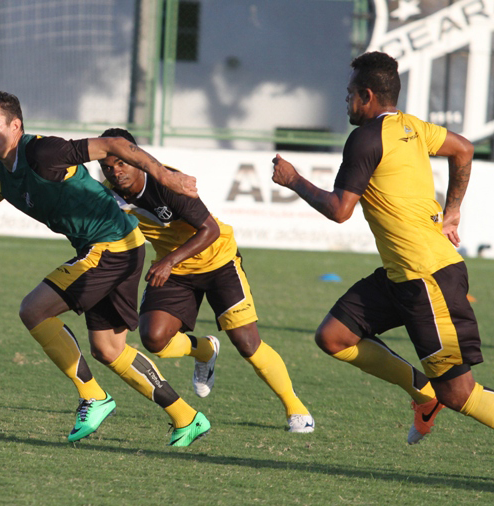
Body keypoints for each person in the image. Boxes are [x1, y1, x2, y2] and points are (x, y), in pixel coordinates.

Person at [0, 91, 209, 447]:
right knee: (109, 349)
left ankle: (93, 397)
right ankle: (187, 417)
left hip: (110, 246)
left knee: (34, 309)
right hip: (118, 246)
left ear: (15, 126)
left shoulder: (44, 152)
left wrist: (165, 176)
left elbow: (114, 144)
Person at [271, 51, 494, 444]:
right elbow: (463, 148)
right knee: (334, 336)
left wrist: (294, 180)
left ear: (367, 96)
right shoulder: (410, 126)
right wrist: (452, 212)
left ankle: (437, 396)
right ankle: (423, 394)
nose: (346, 101)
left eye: (350, 93)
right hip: (401, 274)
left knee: (459, 394)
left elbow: (340, 210)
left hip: (427, 277)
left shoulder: (365, 138)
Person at [98, 128, 315, 433]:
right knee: (154, 339)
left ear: (137, 157)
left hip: (217, 259)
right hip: (175, 269)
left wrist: (169, 261)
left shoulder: (167, 182)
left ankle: (297, 409)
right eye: (107, 166)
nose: (115, 171)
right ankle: (205, 351)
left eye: (121, 163)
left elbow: (209, 229)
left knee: (246, 343)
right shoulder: (107, 192)